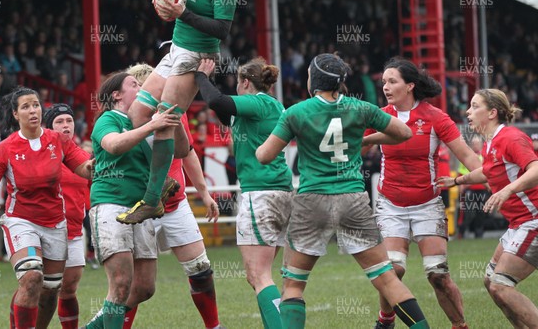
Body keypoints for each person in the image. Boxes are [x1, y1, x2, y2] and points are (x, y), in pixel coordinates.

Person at [256, 54, 429, 329]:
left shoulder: (296, 112)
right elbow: (405, 133)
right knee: (386, 279)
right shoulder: (361, 108)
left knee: (294, 286)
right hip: (353, 200)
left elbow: (264, 156)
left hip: (312, 201)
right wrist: (368, 138)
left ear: (313, 79)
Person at [118, 0, 240, 224]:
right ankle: (165, 180)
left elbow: (222, 30)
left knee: (163, 119)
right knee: (137, 113)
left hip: (198, 55)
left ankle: (151, 199)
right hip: (175, 50)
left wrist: (182, 13)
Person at [365, 57, 481, 329]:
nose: (386, 87)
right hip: (390, 205)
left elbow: (468, 156)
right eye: (383, 82)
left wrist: (499, 180)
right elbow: (354, 152)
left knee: (437, 275)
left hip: (427, 205)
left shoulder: (436, 117)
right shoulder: (380, 116)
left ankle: (459, 325)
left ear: (410, 86)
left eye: (392, 81)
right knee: (393, 270)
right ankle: (386, 320)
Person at [0, 87, 93, 329]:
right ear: (16, 114)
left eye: (36, 105)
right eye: (25, 107)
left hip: (55, 223)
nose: (32, 110)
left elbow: (83, 168)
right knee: (31, 276)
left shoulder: (58, 141)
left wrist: (100, 162)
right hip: (21, 221)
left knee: (49, 290)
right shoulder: (5, 148)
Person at [83, 72, 188, 329]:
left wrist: (175, 116)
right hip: (110, 205)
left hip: (141, 209)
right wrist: (152, 126)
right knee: (120, 284)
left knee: (144, 287)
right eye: (134, 85)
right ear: (116, 95)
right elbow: (114, 145)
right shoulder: (109, 118)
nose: (141, 88)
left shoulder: (143, 121)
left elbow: (183, 150)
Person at [123, 63, 222, 329]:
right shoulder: (122, 121)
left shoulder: (172, 111)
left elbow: (187, 151)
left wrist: (203, 192)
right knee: (136, 284)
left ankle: (214, 326)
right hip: (139, 208)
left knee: (200, 269)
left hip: (175, 205)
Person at [196, 57, 293, 328]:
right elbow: (225, 112)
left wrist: (200, 77)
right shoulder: (271, 105)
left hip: (261, 193)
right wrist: (210, 81)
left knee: (258, 275)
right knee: (259, 276)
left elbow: (218, 103)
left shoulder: (258, 102)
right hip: (279, 192)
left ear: (245, 82)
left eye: (237, 82)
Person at [437, 89, 538, 327]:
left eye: (474, 106)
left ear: (492, 113)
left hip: (533, 221)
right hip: (519, 224)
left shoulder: (510, 137)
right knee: (491, 281)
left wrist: (507, 190)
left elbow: (535, 170)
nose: (468, 111)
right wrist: (458, 180)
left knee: (500, 285)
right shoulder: (490, 144)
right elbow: (488, 171)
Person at [42, 104, 90, 329]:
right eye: (59, 122)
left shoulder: (83, 157)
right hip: (43, 231)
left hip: (73, 232)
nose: (65, 126)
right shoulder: (41, 155)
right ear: (49, 127)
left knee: (69, 288)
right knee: (38, 288)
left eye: (69, 121)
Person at [457, 135, 490, 239]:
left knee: (481, 212)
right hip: (469, 189)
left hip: (482, 189)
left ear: (481, 144)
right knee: (468, 212)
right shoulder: (467, 157)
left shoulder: (485, 157)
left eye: (477, 143)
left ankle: (479, 234)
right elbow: (460, 172)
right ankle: (462, 232)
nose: (476, 145)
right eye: (474, 143)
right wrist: (461, 185)